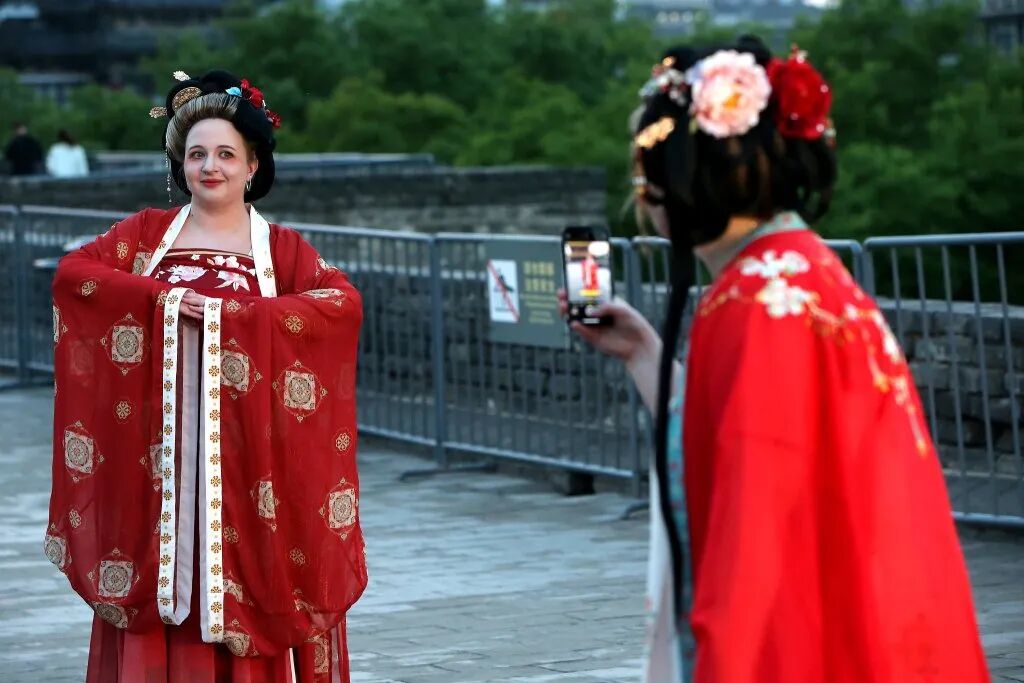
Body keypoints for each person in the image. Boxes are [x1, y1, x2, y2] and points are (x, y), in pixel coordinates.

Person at [562, 37, 990, 682]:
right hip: (885, 622)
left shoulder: (755, 303)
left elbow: (754, 532)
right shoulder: (798, 272)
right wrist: (644, 350)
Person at [45, 70, 366, 682]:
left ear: (252, 166)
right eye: (196, 155)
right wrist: (164, 301)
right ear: (181, 164)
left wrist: (237, 318)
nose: (209, 167)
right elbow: (74, 275)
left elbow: (340, 304)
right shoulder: (145, 235)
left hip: (248, 459)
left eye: (225, 154)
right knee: (163, 567)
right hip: (160, 459)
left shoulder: (282, 250)